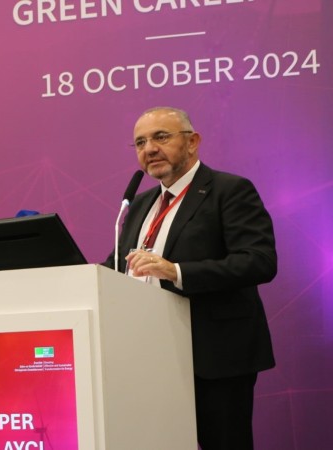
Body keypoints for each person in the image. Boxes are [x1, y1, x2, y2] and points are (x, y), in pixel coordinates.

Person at [103, 106, 277, 449]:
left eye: (160, 137)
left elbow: (259, 261)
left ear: (192, 142)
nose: (150, 149)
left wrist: (176, 271)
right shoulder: (139, 205)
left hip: (215, 355)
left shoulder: (229, 190)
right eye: (140, 142)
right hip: (148, 354)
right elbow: (116, 268)